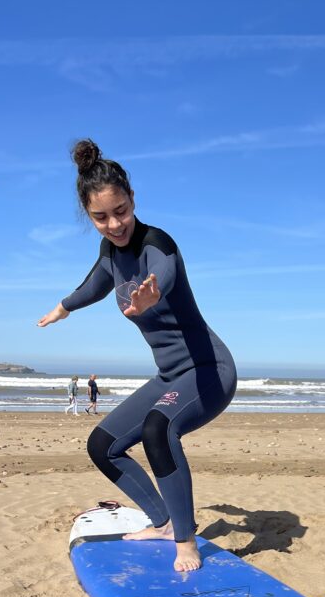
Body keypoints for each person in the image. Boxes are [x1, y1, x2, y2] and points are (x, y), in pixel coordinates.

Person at [37, 139, 237, 572]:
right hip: (171, 377)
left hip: (209, 371)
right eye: (101, 217)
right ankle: (165, 521)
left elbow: (162, 271)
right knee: (102, 445)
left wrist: (154, 292)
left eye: (121, 211)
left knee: (157, 428)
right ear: (89, 215)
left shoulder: (156, 242)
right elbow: (95, 282)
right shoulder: (110, 252)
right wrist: (64, 307)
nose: (114, 224)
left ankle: (185, 541)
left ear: (133, 199)